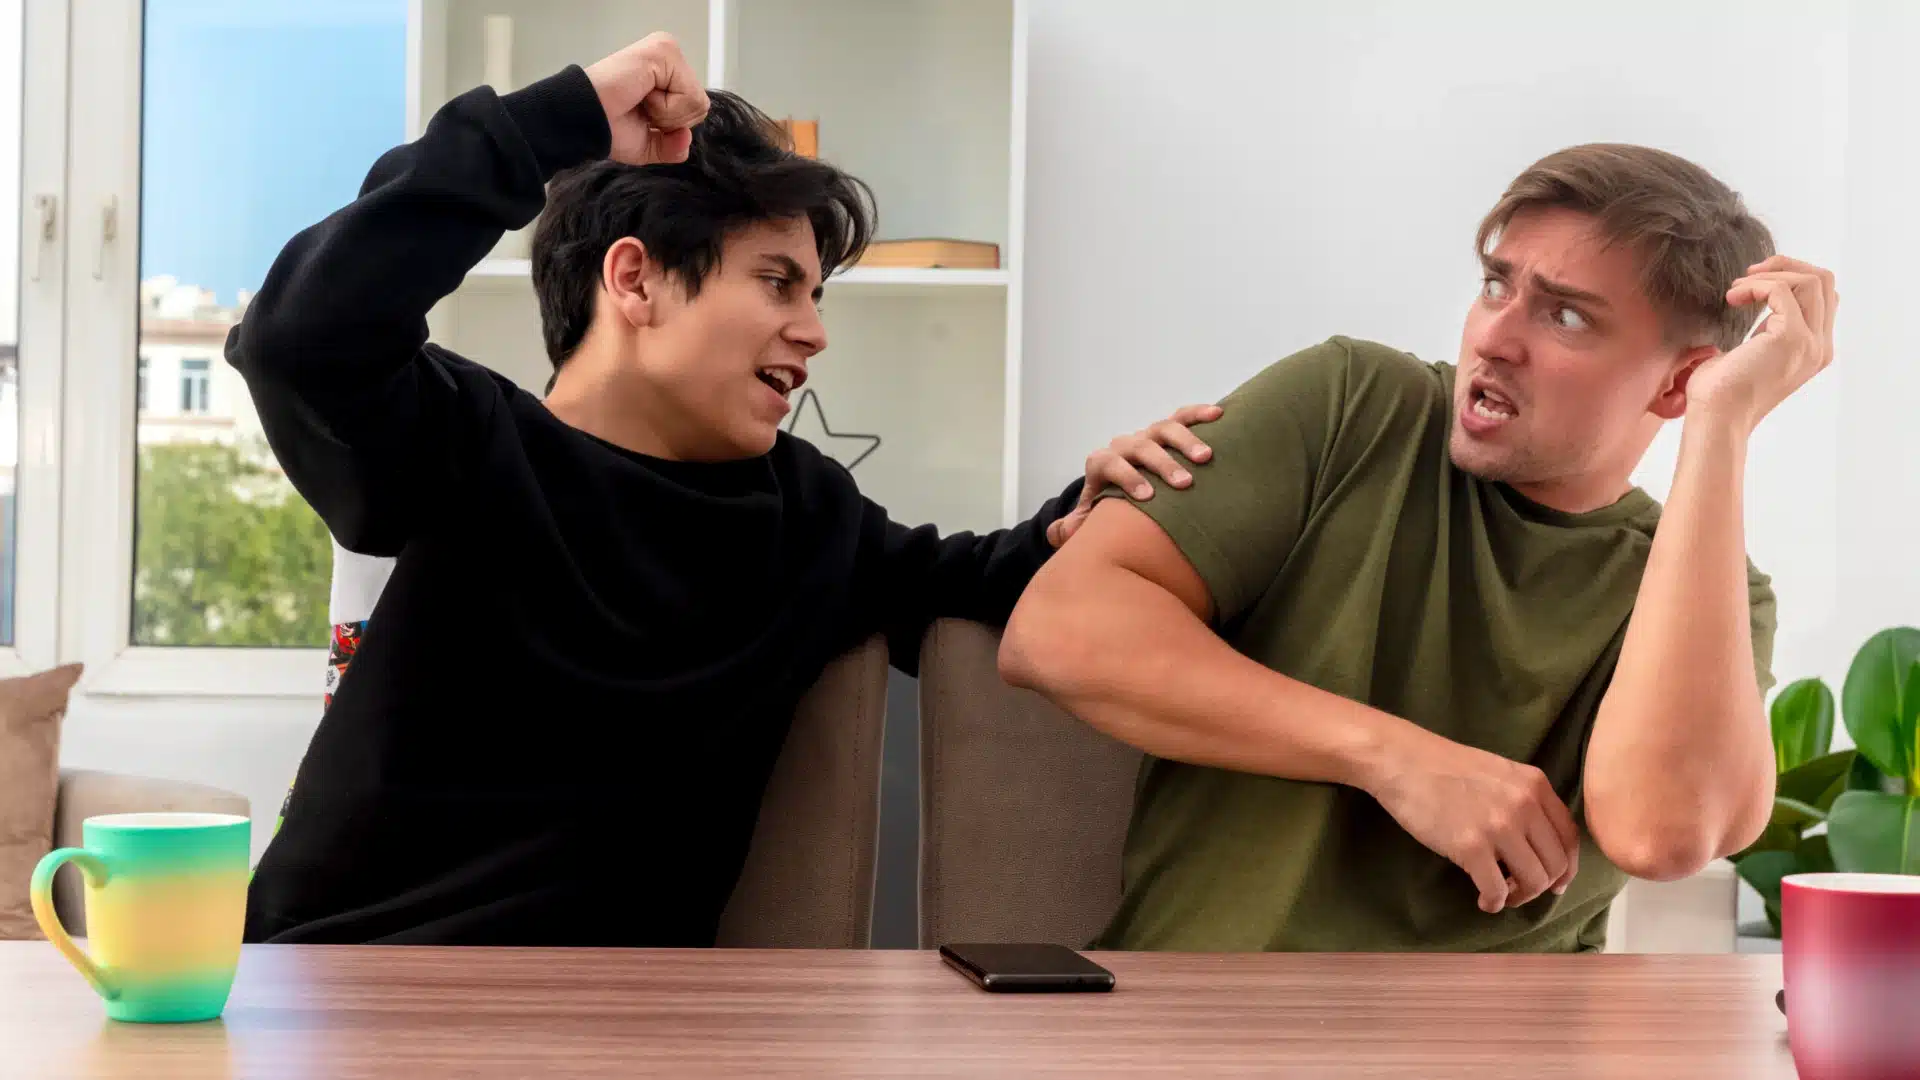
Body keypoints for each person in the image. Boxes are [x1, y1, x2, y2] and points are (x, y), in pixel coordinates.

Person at [233, 33, 1220, 947]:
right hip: (345, 980)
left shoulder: (806, 516)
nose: (815, 332)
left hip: (616, 1022)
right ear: (635, 281)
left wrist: (1098, 501)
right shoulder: (461, 444)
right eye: (778, 283)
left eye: (816, 295)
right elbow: (300, 336)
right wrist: (555, 120)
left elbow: (988, 581)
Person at [1000, 142, 1836, 952]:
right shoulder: (1350, 405)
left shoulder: (1708, 591)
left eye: (1566, 315)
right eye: (1496, 286)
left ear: (1679, 380)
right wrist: (1394, 759)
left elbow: (1662, 835)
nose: (1496, 338)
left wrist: (1722, 425)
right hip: (1202, 1014)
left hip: (1501, 1033)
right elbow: (1057, 631)